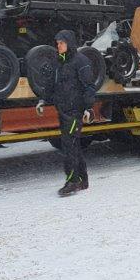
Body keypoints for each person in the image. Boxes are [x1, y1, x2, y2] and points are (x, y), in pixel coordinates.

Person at [39, 30, 97, 197]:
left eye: (62, 43)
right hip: (62, 109)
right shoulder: (58, 62)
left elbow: (89, 86)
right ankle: (83, 179)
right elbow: (51, 83)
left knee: (69, 145)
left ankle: (72, 182)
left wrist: (88, 107)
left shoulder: (81, 61)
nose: (58, 46)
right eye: (57, 43)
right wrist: (43, 100)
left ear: (69, 43)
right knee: (73, 145)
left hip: (75, 111)